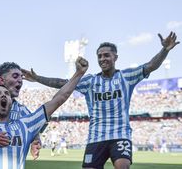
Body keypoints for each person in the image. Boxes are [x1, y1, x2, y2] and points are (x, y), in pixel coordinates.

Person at [22, 32, 180, 169]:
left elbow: (151, 65)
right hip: (96, 136)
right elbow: (62, 83)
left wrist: (165, 50)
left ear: (115, 57)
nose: (102, 59)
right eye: (99, 56)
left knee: (122, 165)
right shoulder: (90, 81)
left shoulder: (126, 77)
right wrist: (37, 78)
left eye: (106, 55)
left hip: (120, 134)